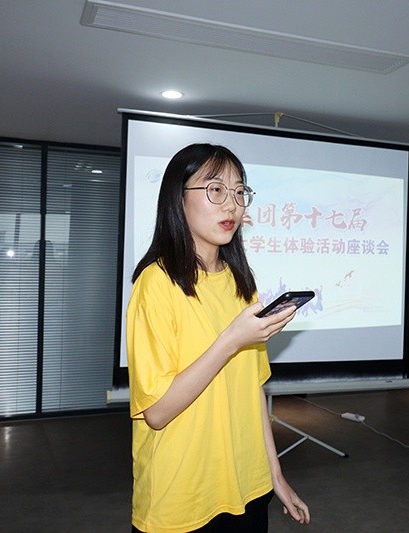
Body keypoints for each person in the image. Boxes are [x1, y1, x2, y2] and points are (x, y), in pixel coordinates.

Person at [127, 143, 310, 532]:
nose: (232, 205)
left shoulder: (241, 283)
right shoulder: (156, 283)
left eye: (240, 192)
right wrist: (230, 341)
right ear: (178, 199)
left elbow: (253, 391)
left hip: (248, 486)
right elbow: (157, 412)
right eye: (215, 190)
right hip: (183, 496)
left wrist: (275, 476)